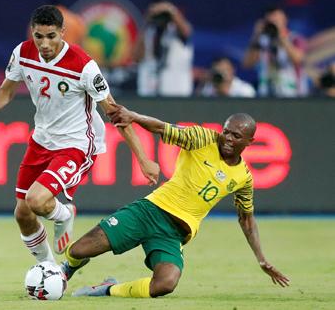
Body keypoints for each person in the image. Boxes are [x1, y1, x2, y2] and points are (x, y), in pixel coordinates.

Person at [0, 6, 159, 266]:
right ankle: (48, 268)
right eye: (39, 36)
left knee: (37, 200)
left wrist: (143, 158)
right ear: (32, 33)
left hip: (76, 143)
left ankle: (63, 213)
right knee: (23, 213)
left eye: (51, 36)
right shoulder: (23, 53)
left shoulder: (84, 66)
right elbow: (7, 90)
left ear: (63, 32)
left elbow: (116, 114)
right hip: (41, 139)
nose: (45, 44)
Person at [61, 106, 290, 298]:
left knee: (165, 283)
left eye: (236, 136)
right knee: (80, 250)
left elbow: (246, 219)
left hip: (173, 235)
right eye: (226, 132)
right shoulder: (202, 139)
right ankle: (65, 270)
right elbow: (162, 128)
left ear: (250, 142)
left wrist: (261, 259)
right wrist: (133, 117)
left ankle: (107, 289)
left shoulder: (244, 178)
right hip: (149, 212)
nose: (228, 138)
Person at [243, 6, 308, 97]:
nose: (273, 24)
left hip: (292, 93)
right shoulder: (261, 41)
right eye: (270, 22)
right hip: (266, 92)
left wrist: (282, 38)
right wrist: (256, 36)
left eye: (276, 21)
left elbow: (299, 60)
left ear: (284, 20)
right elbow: (247, 64)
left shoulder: (295, 39)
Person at [135, 0, 193, 97]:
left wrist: (169, 10)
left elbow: (186, 32)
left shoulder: (176, 32)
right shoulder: (149, 32)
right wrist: (146, 22)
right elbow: (136, 57)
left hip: (177, 91)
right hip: (151, 91)